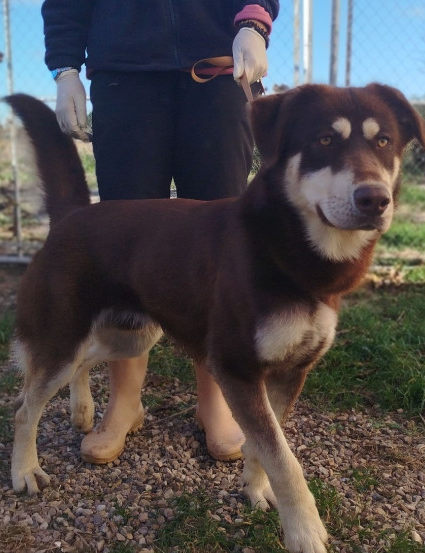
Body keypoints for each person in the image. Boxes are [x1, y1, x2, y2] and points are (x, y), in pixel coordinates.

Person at [41, 0, 279, 464]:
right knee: (124, 246)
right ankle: (125, 401)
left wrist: (253, 23)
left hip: (217, 72)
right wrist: (66, 67)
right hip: (123, 76)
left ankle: (216, 400)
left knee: (219, 248)